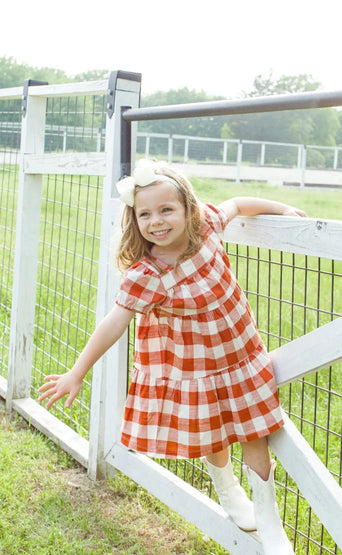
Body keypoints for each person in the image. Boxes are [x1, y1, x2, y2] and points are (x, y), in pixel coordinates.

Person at [38, 158, 306, 555]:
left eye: (166, 210)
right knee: (215, 432)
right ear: (135, 220)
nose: (157, 221)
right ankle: (228, 491)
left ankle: (269, 521)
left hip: (241, 358)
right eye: (145, 214)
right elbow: (113, 323)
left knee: (254, 433)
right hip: (198, 368)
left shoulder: (206, 228)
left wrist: (281, 208)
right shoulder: (147, 275)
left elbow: (236, 203)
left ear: (188, 210)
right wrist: (77, 372)